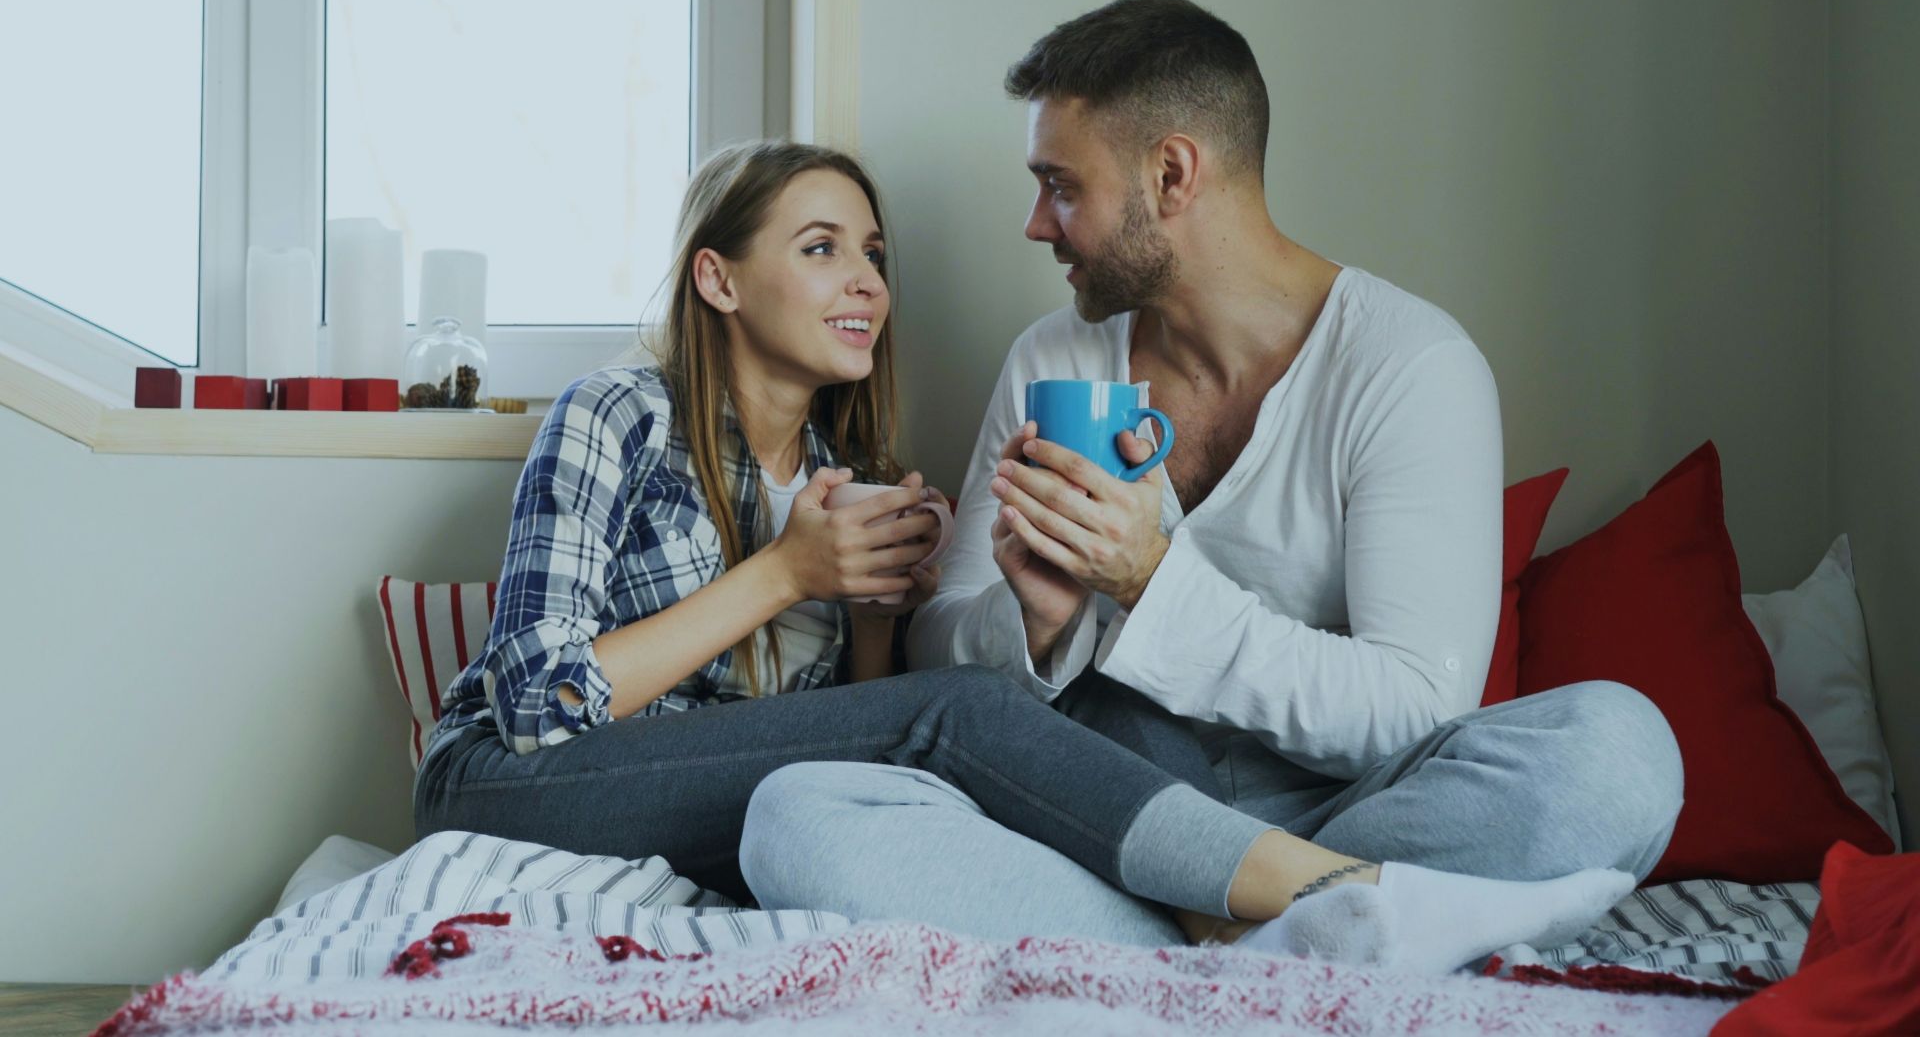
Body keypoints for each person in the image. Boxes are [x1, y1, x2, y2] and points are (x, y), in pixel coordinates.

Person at [413, 139, 1635, 976]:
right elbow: (534, 704)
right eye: (823, 248)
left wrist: (880, 610)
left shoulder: (850, 472)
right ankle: (1330, 894)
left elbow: (845, 742)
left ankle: (1214, 941)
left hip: (712, 802)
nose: (865, 281)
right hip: (510, 781)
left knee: (1613, 748)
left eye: (874, 254)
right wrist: (786, 576)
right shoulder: (617, 413)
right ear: (717, 278)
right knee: (961, 713)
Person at [738, 0, 1683, 964]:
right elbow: (944, 658)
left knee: (1622, 752)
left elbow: (1414, 711)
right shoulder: (1055, 361)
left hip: (1341, 816)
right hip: (1098, 814)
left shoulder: (1409, 366)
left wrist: (1148, 581)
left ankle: (1212, 936)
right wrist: (1035, 624)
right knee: (796, 814)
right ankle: (1309, 931)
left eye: (1060, 186)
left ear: (1172, 174)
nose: (1035, 223)